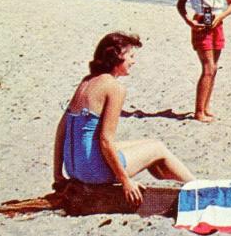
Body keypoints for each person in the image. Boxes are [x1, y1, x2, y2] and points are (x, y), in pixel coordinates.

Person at [52, 32, 195, 206]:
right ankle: (198, 187)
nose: (133, 62)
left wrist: (57, 174)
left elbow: (62, 130)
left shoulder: (87, 81)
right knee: (157, 148)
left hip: (74, 167)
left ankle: (180, 184)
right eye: (131, 56)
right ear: (117, 57)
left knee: (148, 145)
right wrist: (125, 181)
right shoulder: (114, 87)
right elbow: (105, 140)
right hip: (92, 171)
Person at [176, 0, 231, 122]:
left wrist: (221, 15)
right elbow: (180, 5)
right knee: (208, 68)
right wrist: (189, 21)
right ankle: (198, 111)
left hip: (217, 22)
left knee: (214, 68)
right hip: (201, 23)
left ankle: (205, 106)